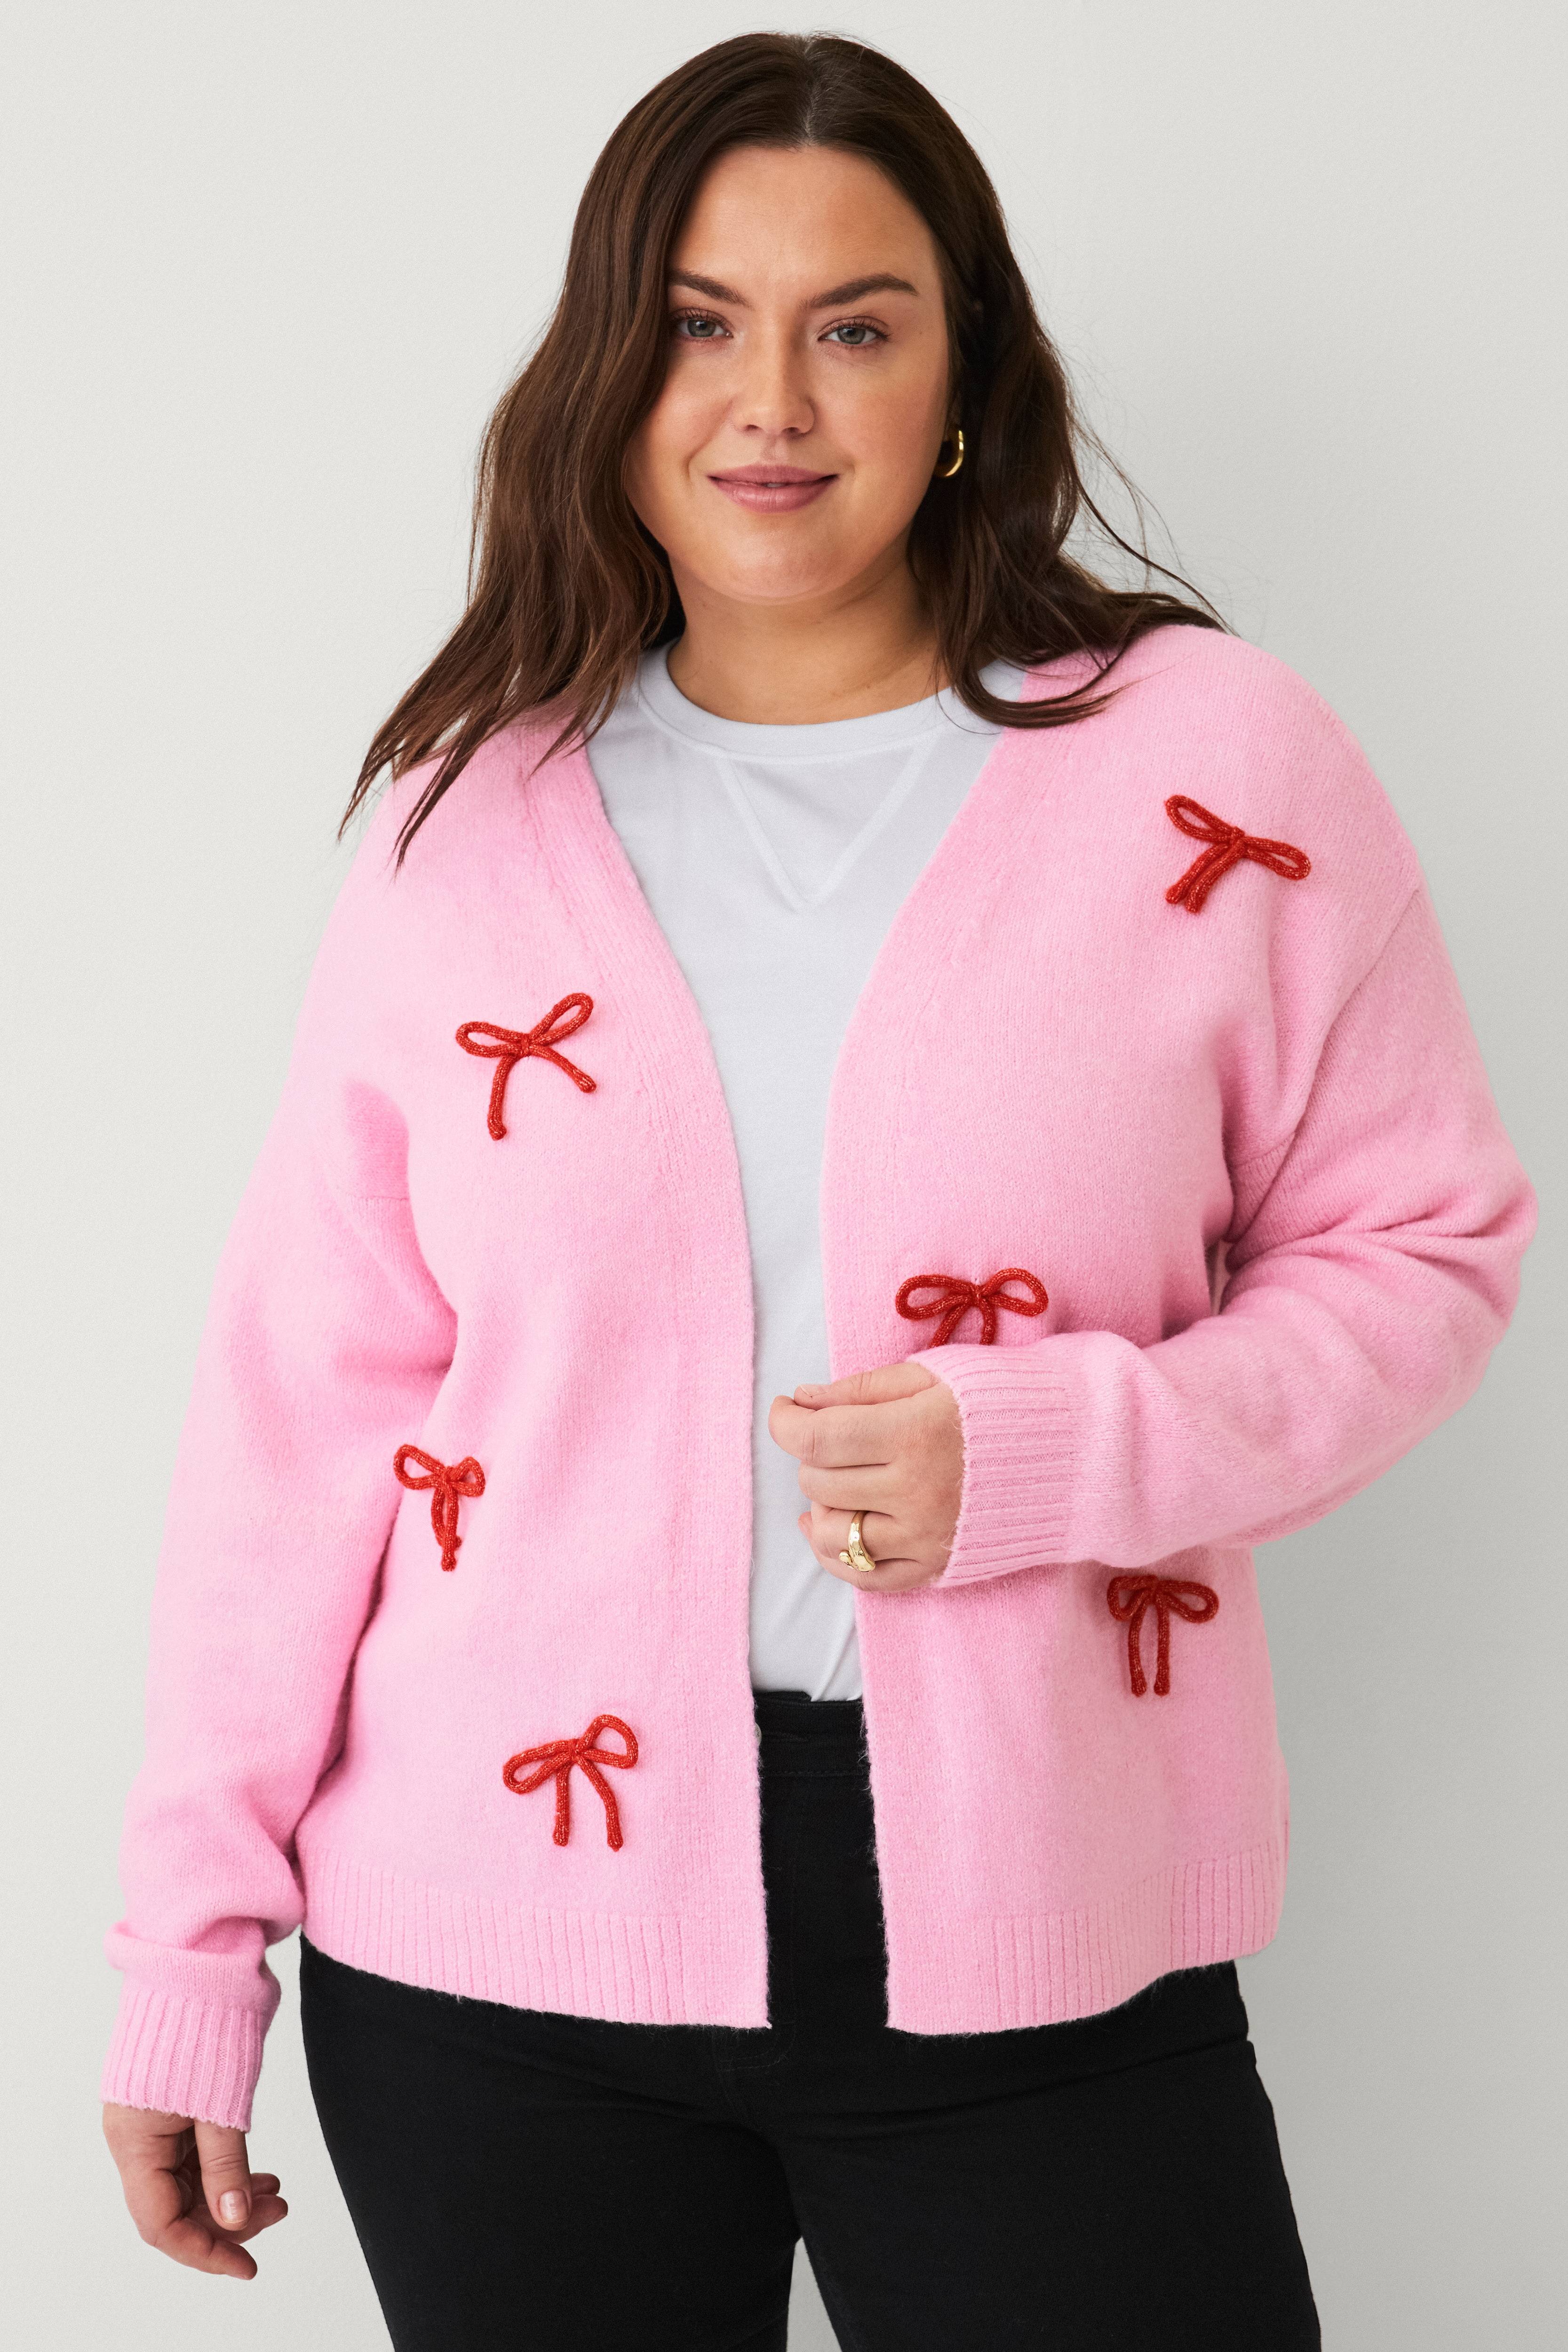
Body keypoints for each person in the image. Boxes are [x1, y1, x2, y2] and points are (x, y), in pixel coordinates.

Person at [100, 32, 1534, 2352]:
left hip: (1042, 1925)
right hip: (488, 1973)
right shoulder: (469, 823)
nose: (772, 400)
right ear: (611, 370)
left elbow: (1425, 1249)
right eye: (700, 321)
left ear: (964, 375)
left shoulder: (1211, 769)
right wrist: (186, 1946)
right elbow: (303, 1413)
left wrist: (1054, 1445)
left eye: (856, 324)